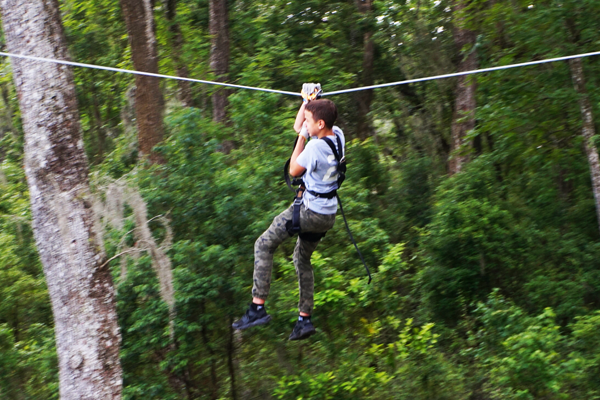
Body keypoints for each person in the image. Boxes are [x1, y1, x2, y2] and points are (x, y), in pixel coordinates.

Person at [232, 93, 345, 341]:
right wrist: (309, 102)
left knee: (263, 244)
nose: (304, 124)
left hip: (308, 212)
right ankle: (305, 319)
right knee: (301, 259)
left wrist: (303, 136)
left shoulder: (314, 147)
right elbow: (301, 125)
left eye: (309, 120)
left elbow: (294, 167)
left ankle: (257, 308)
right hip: (328, 214)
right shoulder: (338, 138)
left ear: (320, 125)